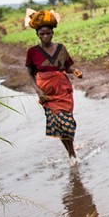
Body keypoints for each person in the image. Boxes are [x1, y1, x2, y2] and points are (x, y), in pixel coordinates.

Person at [24, 9, 83, 167]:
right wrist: (38, 91)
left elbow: (66, 67)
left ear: (52, 33)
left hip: (63, 90)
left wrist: (74, 71)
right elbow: (30, 74)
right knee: (59, 123)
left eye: (48, 33)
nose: (45, 37)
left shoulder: (61, 49)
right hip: (47, 95)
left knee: (68, 123)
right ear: (37, 34)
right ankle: (71, 154)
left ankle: (71, 150)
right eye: (42, 34)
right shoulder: (32, 52)